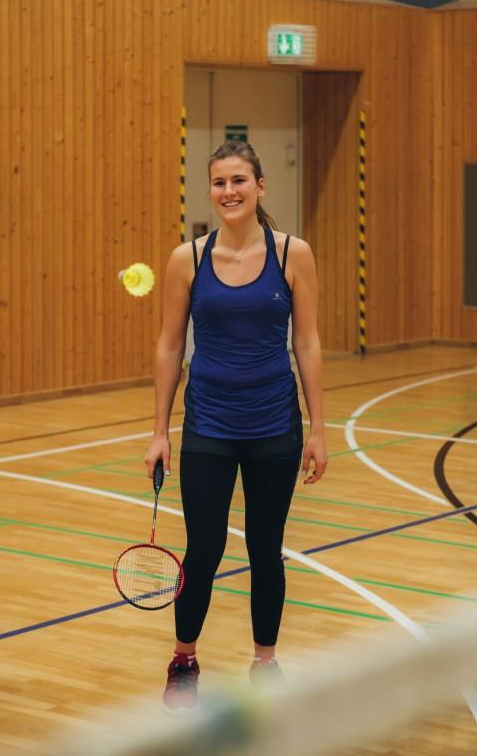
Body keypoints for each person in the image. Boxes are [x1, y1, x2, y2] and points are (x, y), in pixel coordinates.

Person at [143, 139, 327, 712]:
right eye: (220, 182)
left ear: (260, 186)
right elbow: (170, 344)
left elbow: (308, 341)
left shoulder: (294, 253)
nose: (229, 191)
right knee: (204, 550)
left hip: (274, 425)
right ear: (211, 190)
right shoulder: (187, 259)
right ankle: (184, 662)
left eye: (239, 180)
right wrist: (159, 431)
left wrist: (319, 429)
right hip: (209, 426)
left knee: (266, 550)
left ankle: (264, 662)